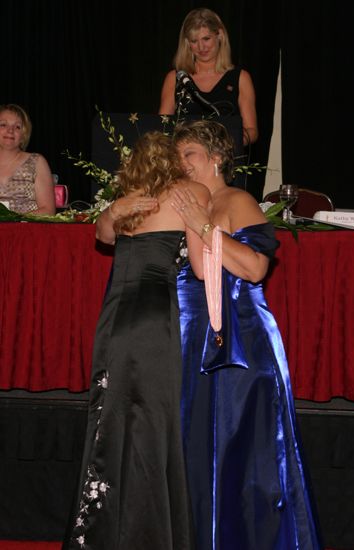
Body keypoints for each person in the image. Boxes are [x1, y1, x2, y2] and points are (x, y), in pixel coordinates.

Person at [170, 119, 322, 549]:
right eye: (177, 157)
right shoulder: (189, 202)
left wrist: (202, 224)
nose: (182, 165)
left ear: (216, 158)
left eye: (190, 155)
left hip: (241, 341)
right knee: (199, 447)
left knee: (243, 449)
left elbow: (255, 268)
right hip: (196, 339)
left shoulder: (236, 199)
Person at [62, 131, 210, 550]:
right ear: (175, 160)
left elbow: (103, 236)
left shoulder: (127, 199)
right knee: (157, 419)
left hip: (114, 317)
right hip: (155, 317)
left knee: (112, 417)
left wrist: (112, 209)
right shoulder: (190, 190)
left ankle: (105, 532)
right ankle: (157, 533)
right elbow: (201, 268)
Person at [159, 8, 258, 146]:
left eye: (206, 39)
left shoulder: (241, 78)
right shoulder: (175, 78)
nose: (201, 47)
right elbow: (161, 128)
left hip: (224, 161)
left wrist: (227, 146)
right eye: (194, 41)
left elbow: (251, 131)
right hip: (183, 162)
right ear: (187, 43)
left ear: (220, 35)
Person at [0, 103, 56, 215]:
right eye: (3, 125)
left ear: (23, 134)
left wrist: (16, 222)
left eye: (17, 127)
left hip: (27, 231)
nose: (10, 130)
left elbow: (48, 210)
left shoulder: (36, 162)